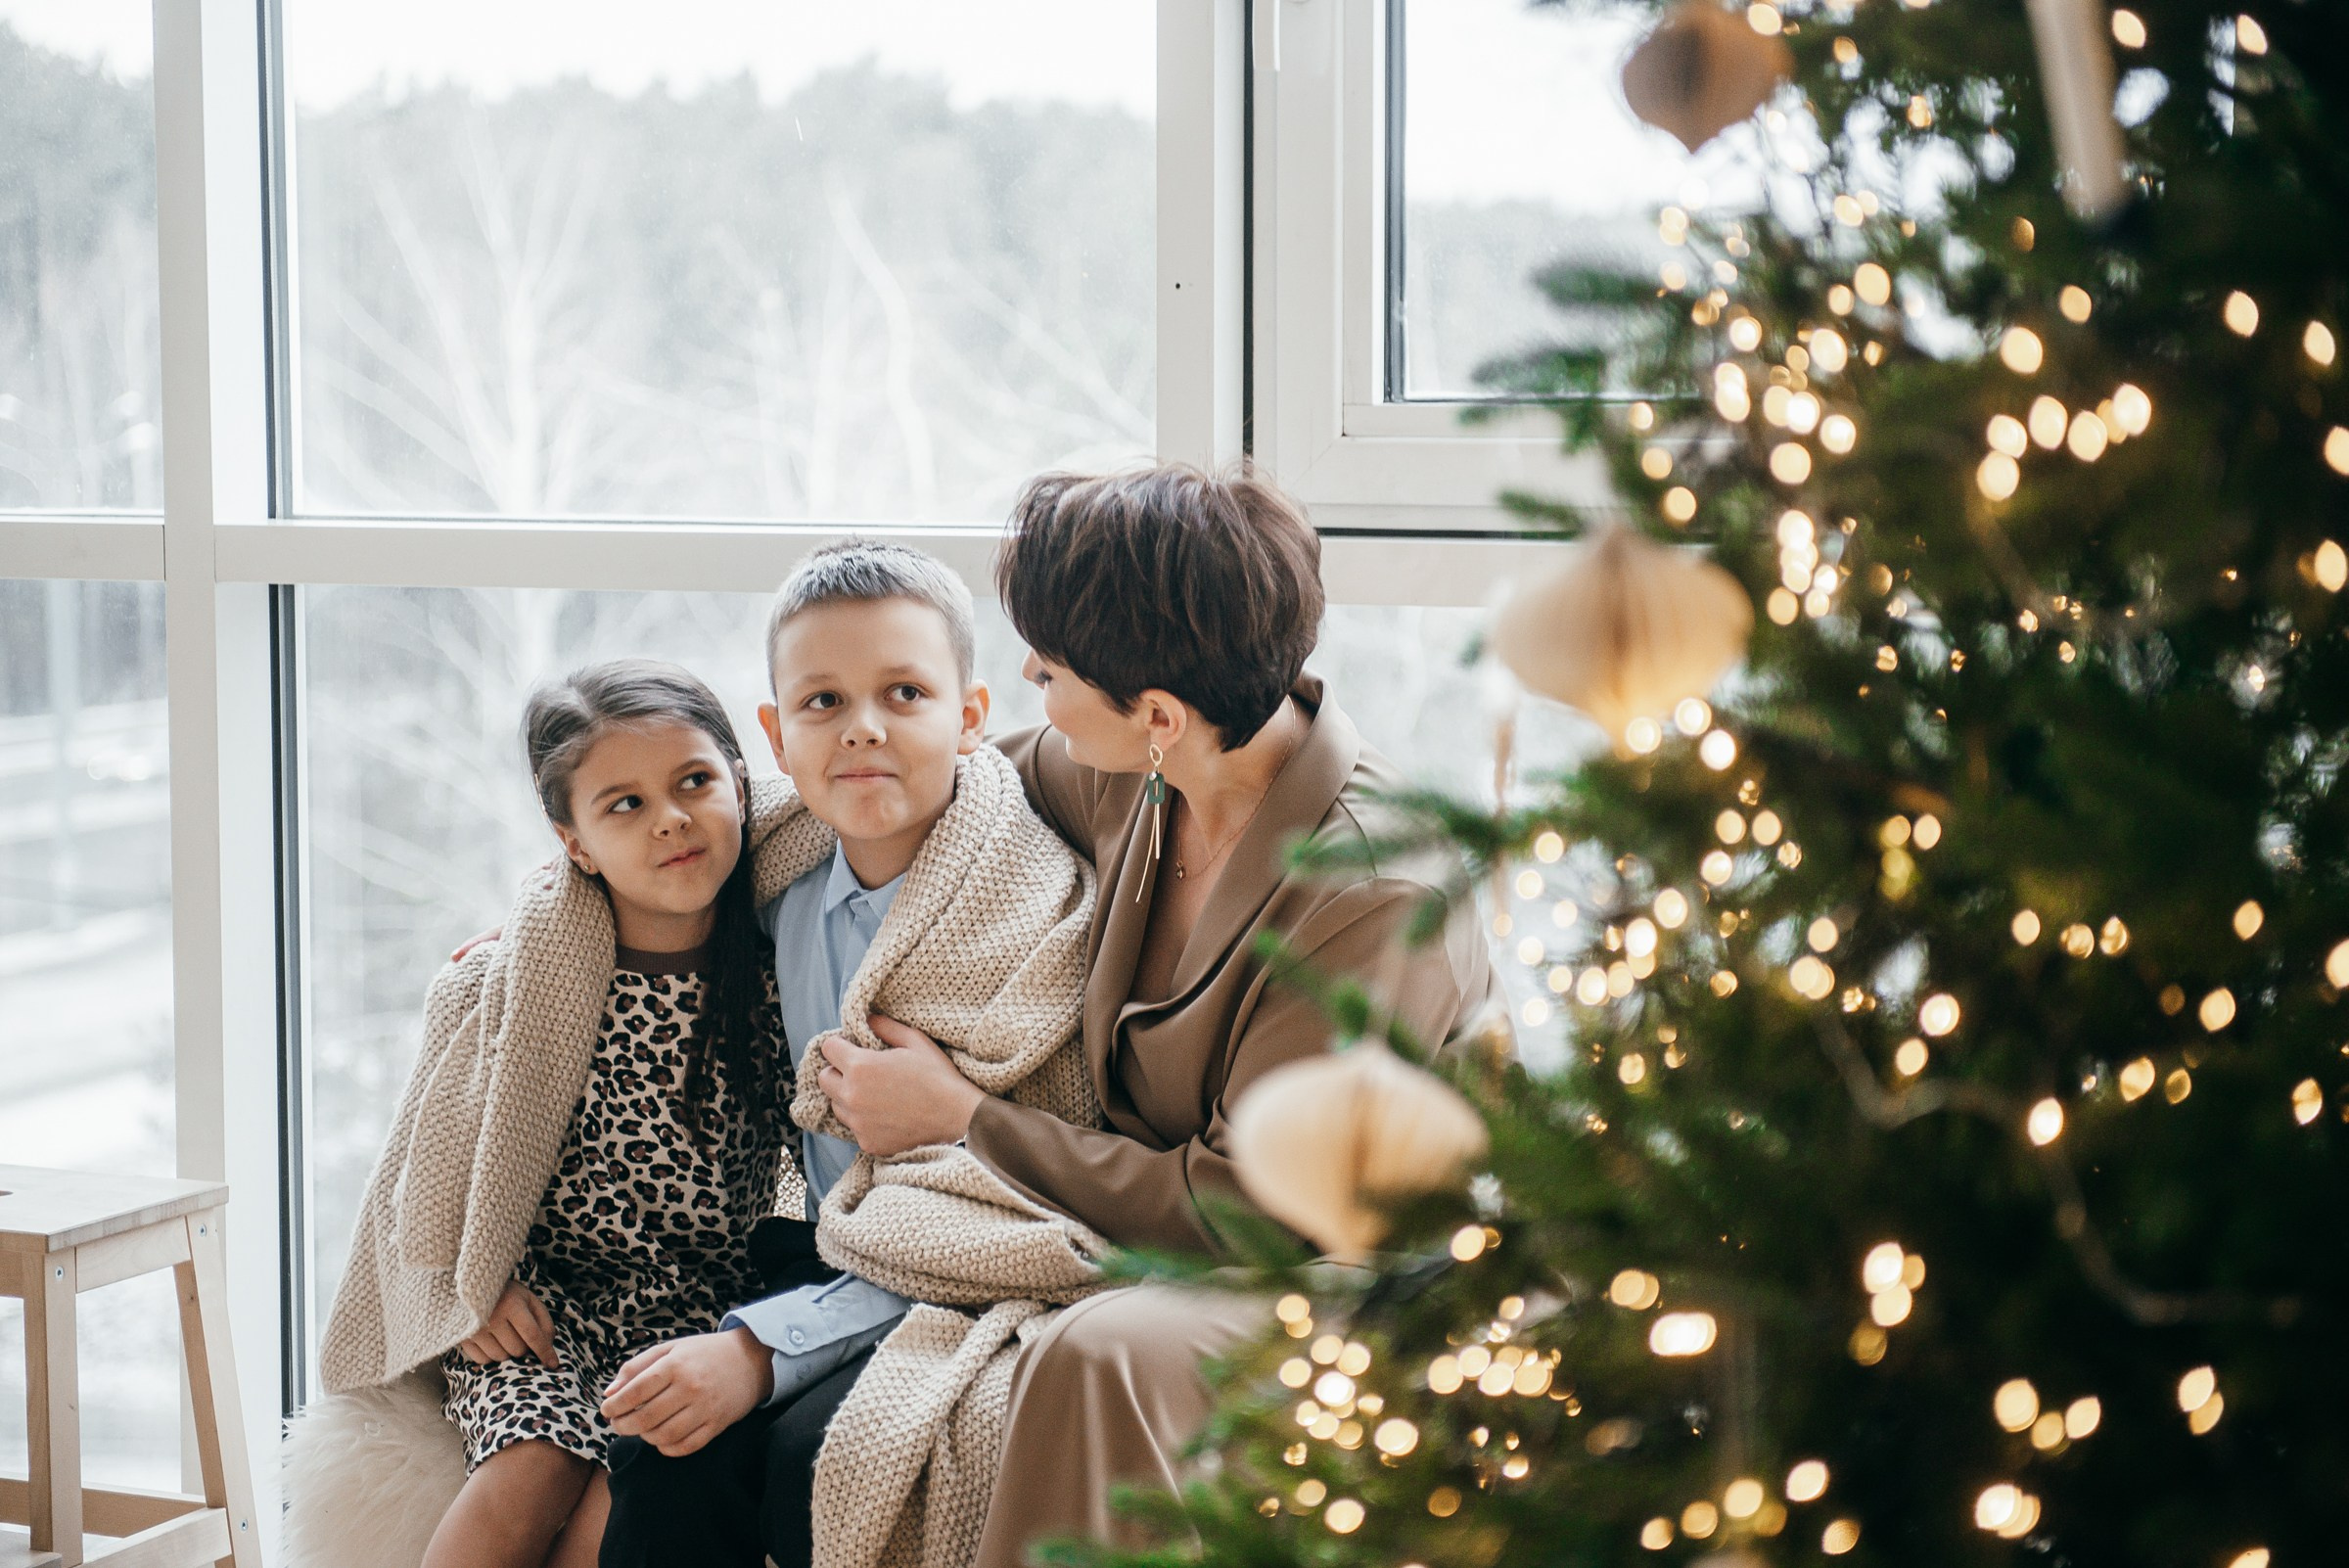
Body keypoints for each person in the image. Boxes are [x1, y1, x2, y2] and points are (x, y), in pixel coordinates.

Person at [811, 464, 1504, 1568]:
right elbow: (910, 782)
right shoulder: (1136, 774)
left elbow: (1260, 1212)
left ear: (1159, 717)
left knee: (1101, 1353)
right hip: (1150, 1222)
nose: (1029, 675)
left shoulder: (1370, 892)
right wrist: (637, 884)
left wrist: (965, 1121)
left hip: (1345, 1266)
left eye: (1050, 670)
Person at [596, 540, 1098, 1568]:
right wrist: (531, 935)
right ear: (777, 737)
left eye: (904, 692)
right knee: (660, 1454)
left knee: (816, 1462)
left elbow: (1015, 1215)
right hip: (829, 1247)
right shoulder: (775, 878)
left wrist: (759, 1353)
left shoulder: (1028, 913)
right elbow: (622, 873)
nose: (862, 726)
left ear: (969, 717)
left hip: (976, 1274)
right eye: (822, 702)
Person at [318, 661, 792, 1568]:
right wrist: (472, 1289)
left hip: (701, 1315)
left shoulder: (780, 970)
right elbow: (417, 1182)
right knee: (531, 1463)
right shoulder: (504, 986)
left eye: (696, 782)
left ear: (742, 783)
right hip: (548, 1309)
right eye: (623, 805)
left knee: (632, 1490)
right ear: (572, 843)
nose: (671, 819)